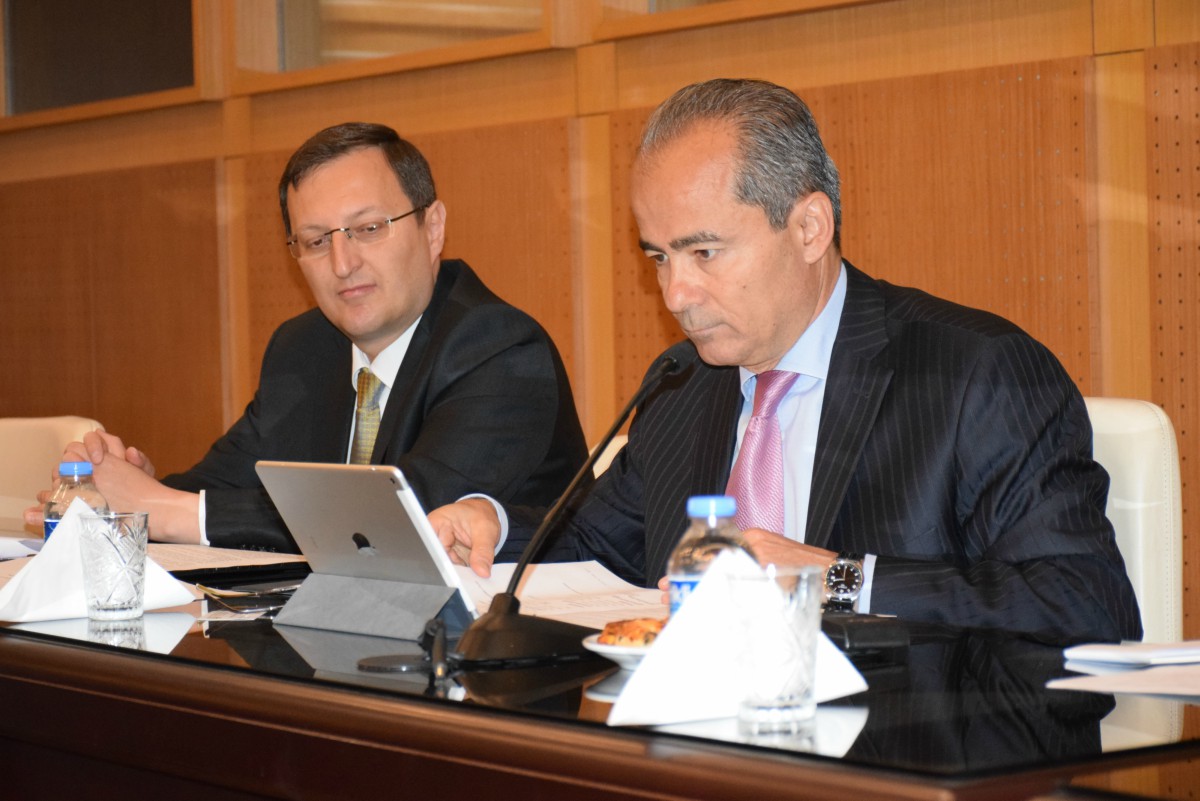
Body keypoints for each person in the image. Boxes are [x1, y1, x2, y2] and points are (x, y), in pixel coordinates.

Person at [430, 79, 1142, 644]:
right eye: (659, 256)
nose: (675, 292)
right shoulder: (685, 387)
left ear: (809, 227)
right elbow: (590, 546)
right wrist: (490, 522)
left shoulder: (975, 374)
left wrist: (836, 580)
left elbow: (1087, 601)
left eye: (704, 252)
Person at [28, 122, 588, 552]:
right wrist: (125, 488)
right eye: (316, 241)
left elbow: (399, 518)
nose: (343, 264)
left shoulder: (499, 348)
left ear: (432, 227)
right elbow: (223, 482)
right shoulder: (304, 348)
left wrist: (163, 510)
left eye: (368, 229)